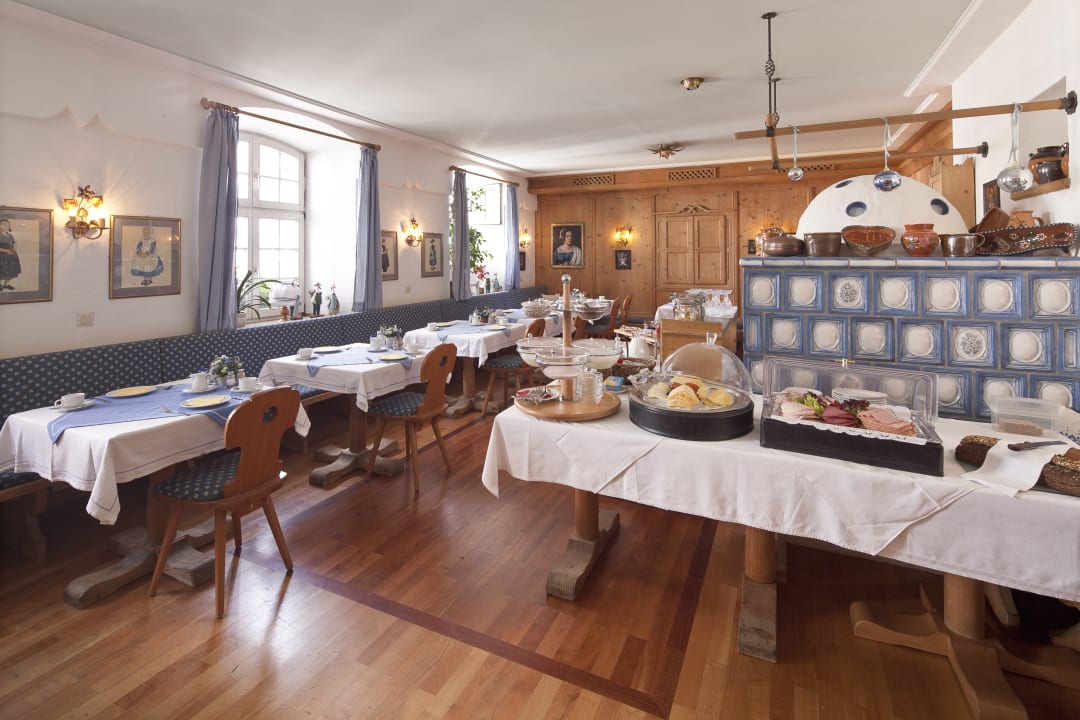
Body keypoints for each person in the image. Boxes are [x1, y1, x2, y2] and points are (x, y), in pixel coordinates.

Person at [0, 219, 21, 291]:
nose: (4, 227)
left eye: (7, 225)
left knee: (10, 269)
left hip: (11, 255)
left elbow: (14, 242)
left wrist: (14, 248)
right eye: (2, 225)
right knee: (2, 270)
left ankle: (6, 284)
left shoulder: (10, 235)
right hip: (1, 256)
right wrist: (5, 251)